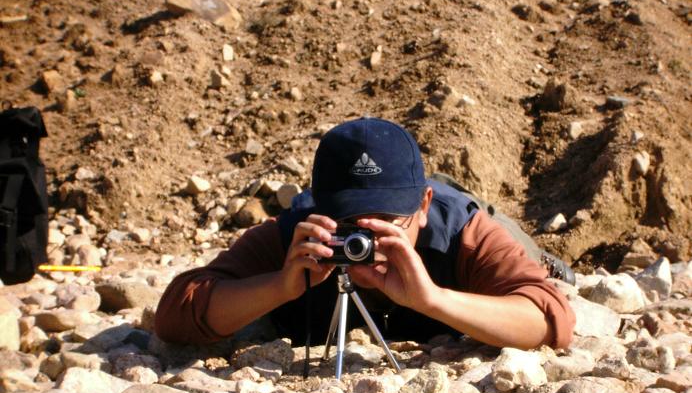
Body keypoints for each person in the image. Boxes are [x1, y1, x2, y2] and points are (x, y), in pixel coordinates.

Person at [156, 118, 575, 350]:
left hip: (459, 211)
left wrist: (433, 299)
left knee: (521, 248)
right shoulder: (299, 232)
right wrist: (281, 286)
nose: (367, 242)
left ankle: (545, 259)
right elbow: (175, 314)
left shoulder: (460, 231)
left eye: (386, 223)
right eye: (351, 224)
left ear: (422, 206)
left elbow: (550, 321)